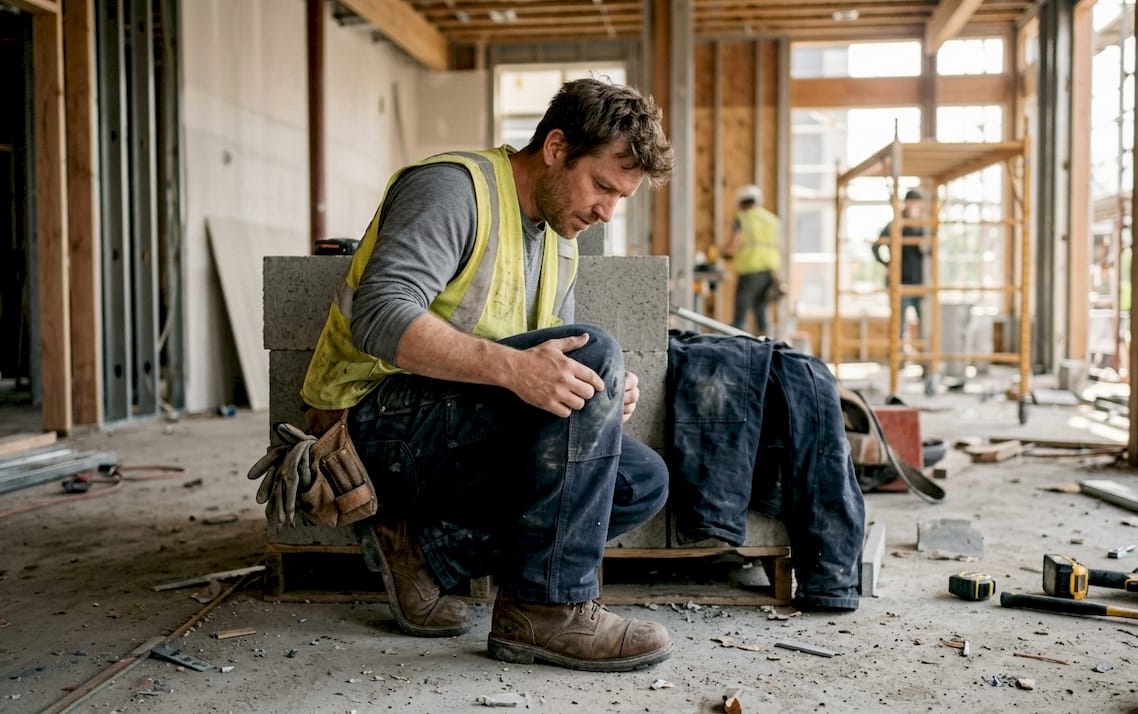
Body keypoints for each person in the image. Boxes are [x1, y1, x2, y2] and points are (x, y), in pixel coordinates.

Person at [298, 79, 676, 672]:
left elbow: (554, 362)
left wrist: (596, 393)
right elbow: (378, 315)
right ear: (555, 148)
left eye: (620, 197)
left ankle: (427, 552)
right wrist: (519, 368)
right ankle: (546, 608)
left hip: (455, 428)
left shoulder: (560, 238)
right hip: (366, 429)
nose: (606, 211)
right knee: (596, 353)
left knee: (640, 481)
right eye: (602, 186)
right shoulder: (454, 190)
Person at [724, 184, 782, 335]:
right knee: (761, 309)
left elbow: (733, 244)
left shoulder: (743, 218)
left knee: (740, 312)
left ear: (741, 202)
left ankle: (735, 343)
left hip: (750, 270)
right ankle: (766, 343)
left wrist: (724, 253)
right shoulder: (772, 219)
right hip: (770, 272)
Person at [872, 189, 928, 341]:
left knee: (925, 322)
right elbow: (876, 246)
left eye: (918, 203)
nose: (915, 206)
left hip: (918, 281)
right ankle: (900, 353)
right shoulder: (895, 225)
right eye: (913, 203)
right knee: (898, 323)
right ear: (906, 203)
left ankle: (924, 353)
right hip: (899, 280)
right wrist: (887, 264)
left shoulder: (923, 226)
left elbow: (930, 251)